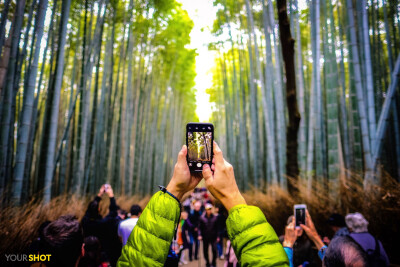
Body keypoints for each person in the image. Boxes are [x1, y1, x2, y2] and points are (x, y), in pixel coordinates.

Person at [117, 142, 289, 266]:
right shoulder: (201, 216)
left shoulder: (212, 217)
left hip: (210, 239)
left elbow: (138, 260)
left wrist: (174, 190)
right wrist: (232, 196)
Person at [82, 184, 121, 266]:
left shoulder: (84, 222)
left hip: (85, 253)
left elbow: (89, 211)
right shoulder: (102, 223)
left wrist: (99, 195)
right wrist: (111, 196)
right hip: (100, 255)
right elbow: (113, 213)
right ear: (99, 210)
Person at [198, 203, 219, 267]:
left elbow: (217, 228)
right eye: (207, 209)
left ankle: (213, 262)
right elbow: (199, 228)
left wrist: (218, 236)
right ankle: (207, 262)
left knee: (214, 250)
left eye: (210, 209)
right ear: (205, 210)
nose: (208, 210)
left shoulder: (215, 218)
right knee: (205, 251)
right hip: (205, 237)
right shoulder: (202, 218)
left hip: (213, 237)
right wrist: (199, 235)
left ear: (211, 210)